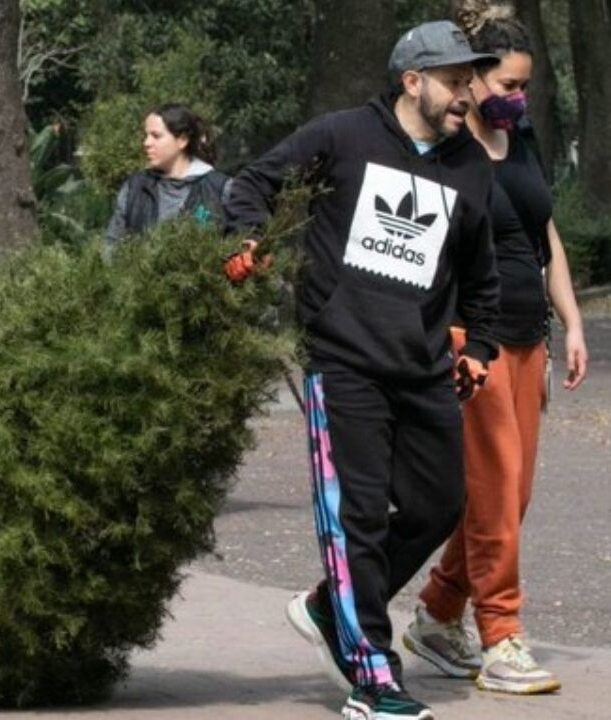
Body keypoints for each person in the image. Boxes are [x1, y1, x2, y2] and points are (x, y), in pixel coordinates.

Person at [224, 21, 501, 720]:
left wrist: (479, 349)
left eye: (470, 79)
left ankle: (329, 606)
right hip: (343, 361)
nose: (466, 92)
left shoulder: (469, 164)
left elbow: (481, 274)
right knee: (359, 522)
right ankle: (373, 676)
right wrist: (246, 237)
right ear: (413, 81)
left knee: (440, 506)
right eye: (455, 79)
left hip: (422, 366)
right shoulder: (343, 135)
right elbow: (254, 181)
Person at [403, 1, 588, 696]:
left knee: (513, 497)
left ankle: (438, 611)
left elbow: (547, 238)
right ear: (473, 80)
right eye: (508, 85)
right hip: (469, 339)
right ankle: (501, 635)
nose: (519, 98)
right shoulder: (450, 152)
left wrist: (571, 322)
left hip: (526, 335)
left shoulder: (526, 139)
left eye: (525, 86)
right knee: (493, 490)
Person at [104, 104, 230, 250]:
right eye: (146, 135)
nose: (146, 143)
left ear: (182, 140)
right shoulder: (135, 187)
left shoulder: (220, 189)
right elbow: (112, 245)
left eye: (156, 136)